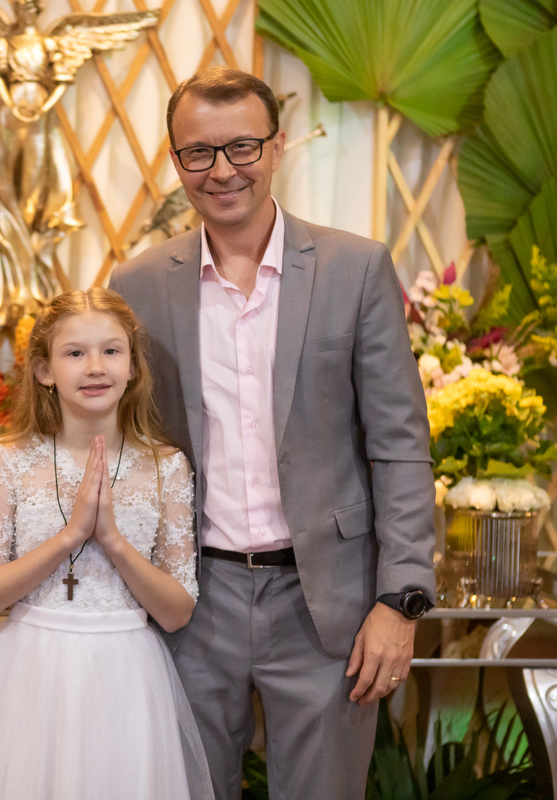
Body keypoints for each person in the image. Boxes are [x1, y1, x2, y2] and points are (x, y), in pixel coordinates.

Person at [110, 66, 436, 799]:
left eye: (242, 147)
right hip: (191, 602)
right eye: (199, 152)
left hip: (329, 603)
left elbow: (400, 445)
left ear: (278, 147)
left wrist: (401, 599)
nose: (223, 170)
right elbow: (128, 441)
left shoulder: (355, 268)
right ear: (175, 160)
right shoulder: (138, 285)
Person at [0, 288, 214, 800]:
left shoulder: (166, 466)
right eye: (75, 353)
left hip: (127, 671)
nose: (95, 367)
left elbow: (177, 611)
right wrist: (70, 536)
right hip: (31, 669)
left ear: (132, 367)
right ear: (44, 370)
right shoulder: (10, 459)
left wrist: (111, 539)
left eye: (111, 351)